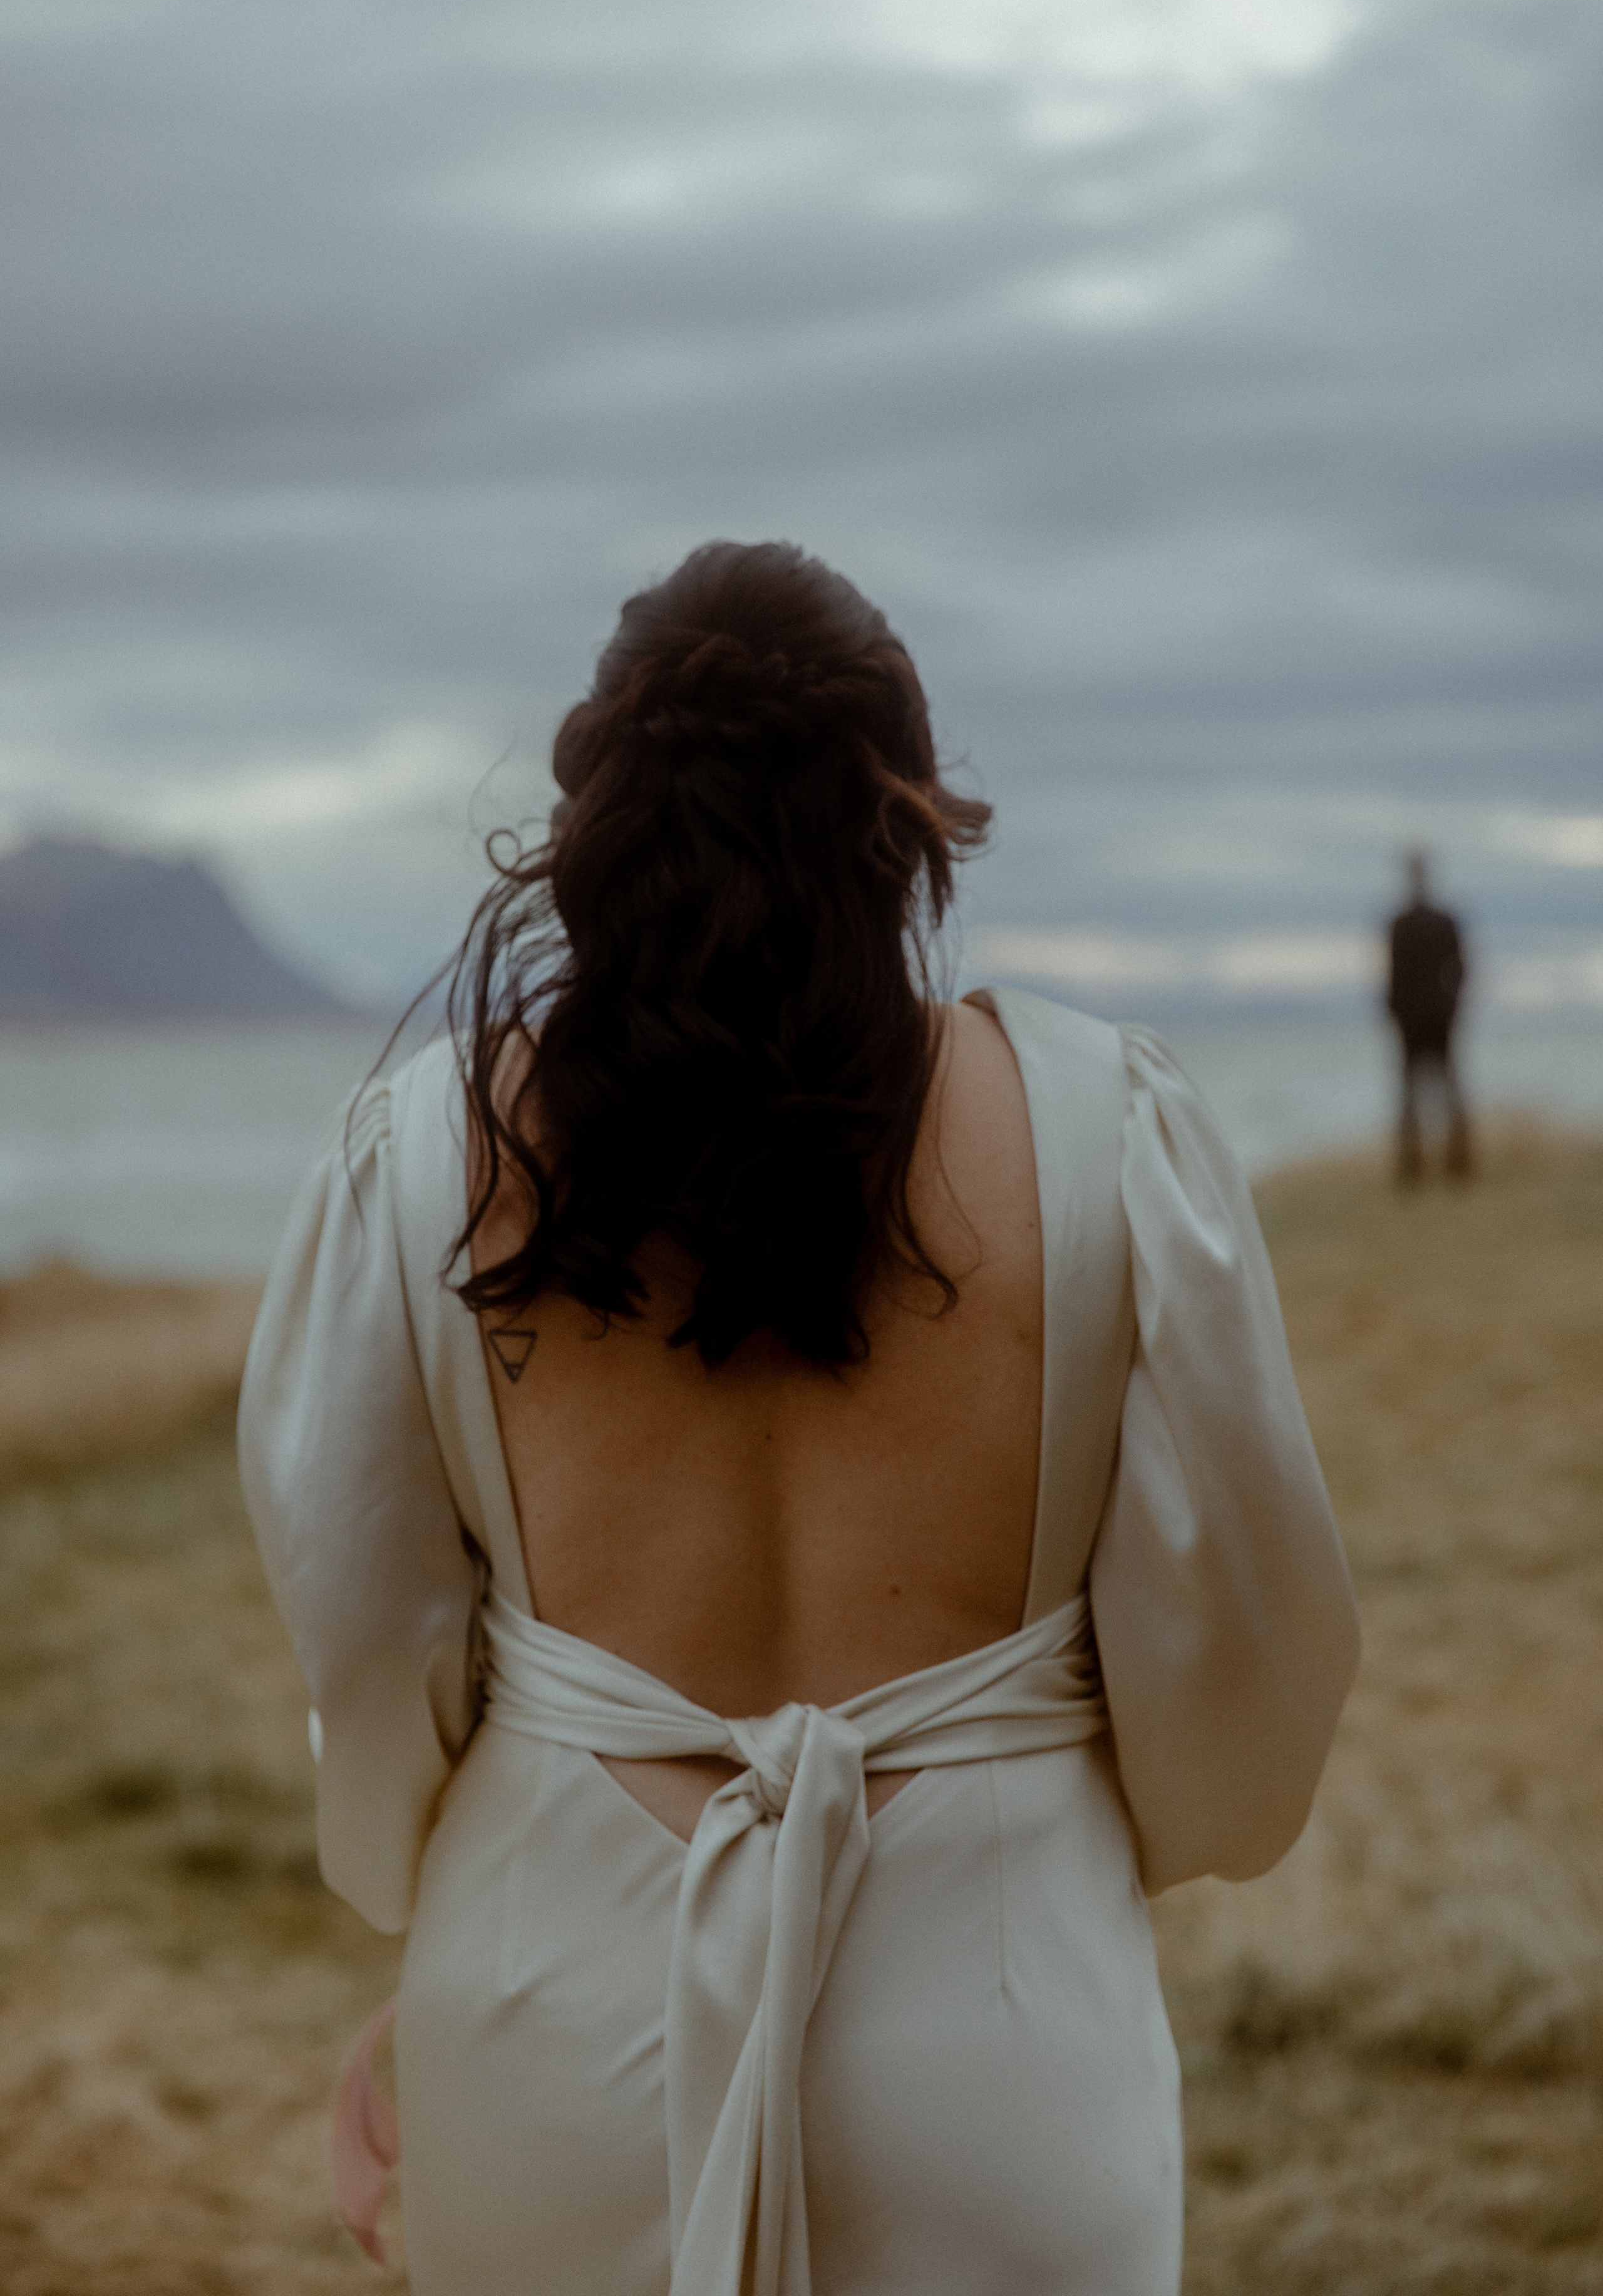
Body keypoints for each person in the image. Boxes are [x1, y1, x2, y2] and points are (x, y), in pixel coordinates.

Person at [239, 542, 1360, 2296]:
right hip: (1000, 2042)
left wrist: (454, 1922)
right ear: (906, 815)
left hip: (551, 2022)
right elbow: (1236, 1691)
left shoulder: (424, 1155)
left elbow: (373, 1655)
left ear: (594, 827)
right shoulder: (1102, 1133)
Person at [1387, 851, 1471, 1181]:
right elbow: (1461, 968)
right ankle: (1449, 1161)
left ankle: (1420, 1164)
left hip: (1421, 1017)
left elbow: (1393, 978)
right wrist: (1450, 1005)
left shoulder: (1403, 923)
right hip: (1434, 1015)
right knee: (1442, 1088)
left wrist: (1398, 1011)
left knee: (1418, 1090)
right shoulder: (1437, 921)